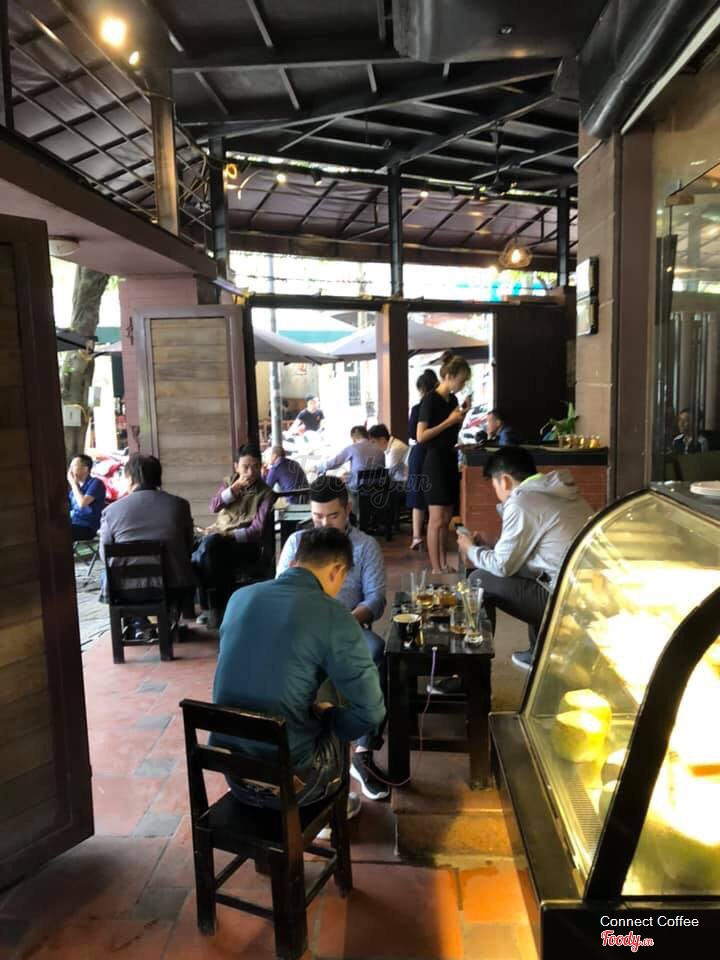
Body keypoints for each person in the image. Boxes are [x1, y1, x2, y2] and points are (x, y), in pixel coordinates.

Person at [213, 526, 385, 816]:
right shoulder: (333, 614)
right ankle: (332, 813)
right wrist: (330, 717)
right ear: (337, 571)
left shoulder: (240, 597)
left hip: (237, 774)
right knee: (336, 702)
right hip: (296, 783)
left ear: (294, 561)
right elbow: (371, 713)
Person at [277, 476, 389, 801]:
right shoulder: (297, 543)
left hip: (348, 628)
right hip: (302, 631)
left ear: (348, 510)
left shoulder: (365, 546)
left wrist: (343, 622)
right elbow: (281, 590)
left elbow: (376, 599)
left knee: (377, 650)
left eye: (332, 516)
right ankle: (309, 749)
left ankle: (363, 752)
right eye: (317, 516)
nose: (324, 524)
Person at [456, 447, 593, 671]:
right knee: (525, 571)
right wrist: (492, 545)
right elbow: (536, 548)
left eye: (494, 486)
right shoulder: (556, 492)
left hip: (566, 600)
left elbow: (502, 566)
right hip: (587, 591)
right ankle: (540, 652)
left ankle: (473, 672)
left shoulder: (522, 502)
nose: (497, 492)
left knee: (478, 580)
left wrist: (470, 549)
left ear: (505, 481)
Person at [99, 454, 195, 639]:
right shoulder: (179, 505)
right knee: (180, 569)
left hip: (126, 588)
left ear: (130, 478)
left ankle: (140, 624)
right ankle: (165, 620)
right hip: (172, 586)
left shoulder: (111, 511)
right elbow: (187, 546)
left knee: (109, 574)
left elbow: (105, 555)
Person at [192, 444, 275, 625]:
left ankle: (210, 607)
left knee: (208, 549)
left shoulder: (266, 493)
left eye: (255, 467)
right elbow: (214, 507)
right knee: (202, 548)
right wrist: (234, 489)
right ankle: (215, 607)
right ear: (236, 466)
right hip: (217, 538)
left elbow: (256, 531)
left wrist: (226, 535)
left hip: (243, 544)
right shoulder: (229, 483)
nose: (251, 472)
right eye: (246, 467)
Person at [417, 353, 472, 574]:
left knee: (447, 518)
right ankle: (436, 567)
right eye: (461, 380)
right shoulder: (430, 400)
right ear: (448, 376)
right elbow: (421, 436)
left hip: (449, 459)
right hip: (434, 463)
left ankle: (443, 562)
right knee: (436, 519)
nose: (462, 385)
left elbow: (449, 433)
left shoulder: (453, 401)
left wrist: (460, 419)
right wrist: (449, 421)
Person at [316, 425, 385, 513]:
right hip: (378, 489)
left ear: (353, 438)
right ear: (367, 436)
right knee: (348, 478)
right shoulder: (380, 450)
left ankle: (350, 514)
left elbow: (334, 463)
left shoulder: (353, 448)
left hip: (359, 490)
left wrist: (318, 467)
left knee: (339, 486)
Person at [406, 370, 438, 551]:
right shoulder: (444, 408)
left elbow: (412, 433)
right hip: (438, 453)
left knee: (417, 495)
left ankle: (417, 536)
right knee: (436, 497)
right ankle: (435, 534)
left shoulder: (418, 408)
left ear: (421, 388)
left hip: (420, 453)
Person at [67, 454, 106, 541]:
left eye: (74, 466)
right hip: (73, 523)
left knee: (59, 533)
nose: (70, 469)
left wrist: (73, 484)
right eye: (70, 466)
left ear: (85, 468)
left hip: (87, 527)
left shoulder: (96, 483)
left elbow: (82, 503)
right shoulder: (75, 490)